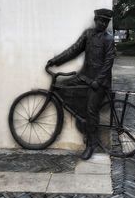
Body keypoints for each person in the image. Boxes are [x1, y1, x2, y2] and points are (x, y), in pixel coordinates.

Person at [47, 8, 115, 160]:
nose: (102, 23)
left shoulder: (108, 39)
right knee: (61, 87)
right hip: (84, 77)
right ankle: (83, 120)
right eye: (100, 20)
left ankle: (91, 144)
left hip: (99, 82)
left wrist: (99, 80)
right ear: (95, 20)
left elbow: (109, 62)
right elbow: (74, 50)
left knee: (92, 111)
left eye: (106, 21)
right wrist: (56, 60)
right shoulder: (88, 34)